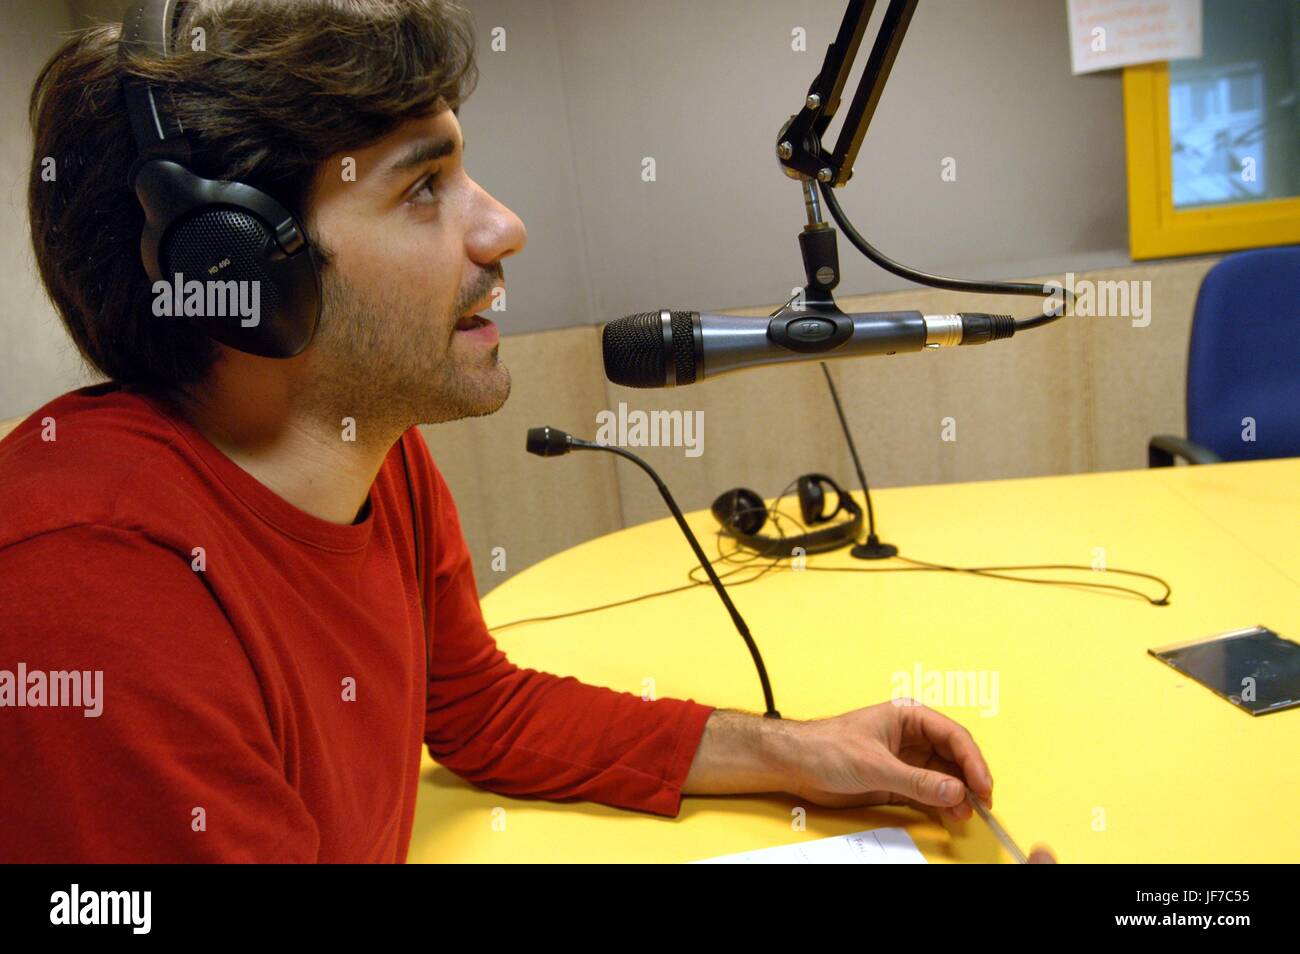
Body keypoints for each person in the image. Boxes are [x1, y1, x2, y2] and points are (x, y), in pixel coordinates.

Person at [0, 0, 1052, 864]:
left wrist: (799, 752)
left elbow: (484, 713)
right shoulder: (86, 587)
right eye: (423, 186)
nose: (503, 227)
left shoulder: (378, 454)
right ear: (234, 271)